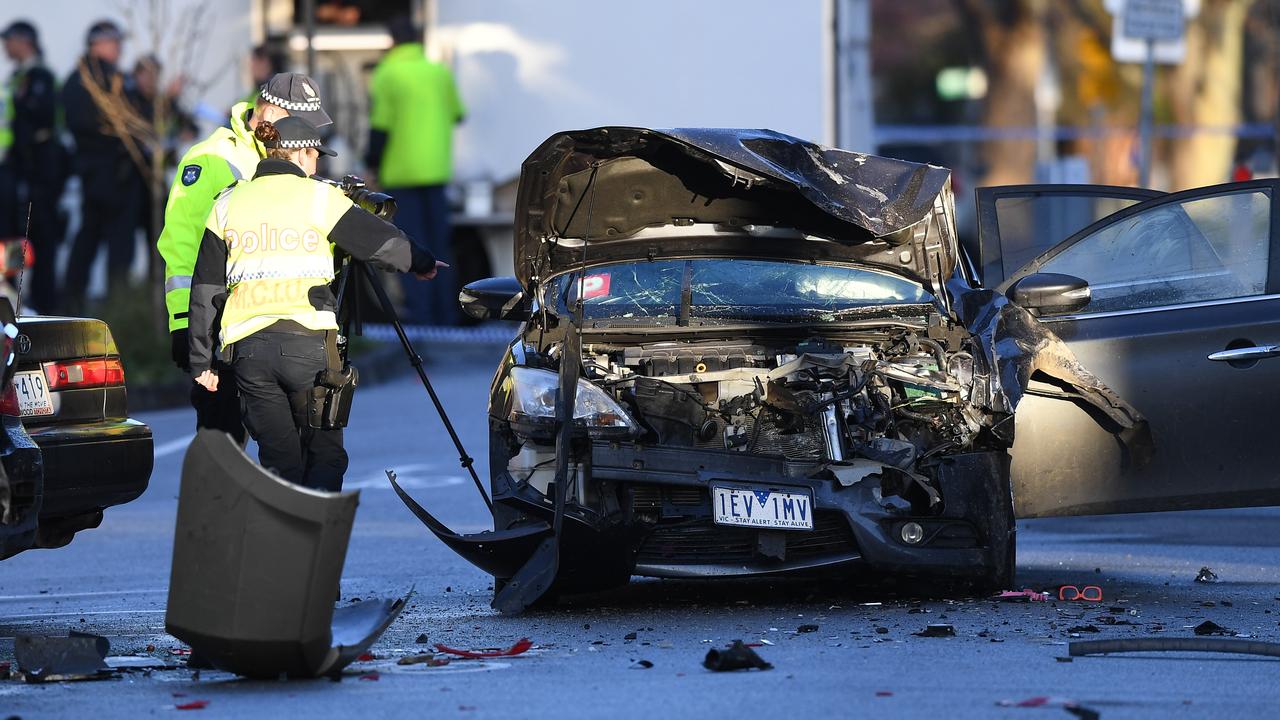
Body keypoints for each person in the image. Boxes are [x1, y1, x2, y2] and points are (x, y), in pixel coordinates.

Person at [187, 117, 445, 491]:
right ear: (300, 153)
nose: (317, 166)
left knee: (279, 462)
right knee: (323, 456)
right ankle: (318, 541)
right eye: (316, 156)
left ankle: (281, 546)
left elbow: (205, 288)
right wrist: (421, 262)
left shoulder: (228, 202)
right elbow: (378, 241)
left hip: (248, 352)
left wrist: (200, 360)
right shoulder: (320, 198)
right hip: (308, 346)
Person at [158, 72, 332, 445]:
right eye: (297, 121)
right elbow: (183, 243)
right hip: (219, 324)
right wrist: (184, 322)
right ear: (269, 111)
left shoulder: (287, 155)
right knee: (223, 440)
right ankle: (218, 503)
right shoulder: (213, 158)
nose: (304, 133)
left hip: (271, 328)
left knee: (286, 445)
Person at [366, 15, 464, 326]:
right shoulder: (439, 73)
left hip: (402, 176)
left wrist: (371, 165)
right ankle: (447, 318)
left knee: (412, 249)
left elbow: (379, 129)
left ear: (392, 41)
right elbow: (458, 114)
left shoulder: (387, 74)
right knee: (440, 244)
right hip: (436, 174)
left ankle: (422, 322)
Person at [61, 19, 142, 312]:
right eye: (113, 42)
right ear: (97, 44)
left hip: (100, 172)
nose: (119, 48)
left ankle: (76, 298)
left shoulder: (94, 77)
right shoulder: (95, 80)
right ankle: (114, 305)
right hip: (108, 173)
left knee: (90, 238)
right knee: (114, 243)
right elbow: (105, 124)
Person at [0, 20, 65, 314]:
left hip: (37, 175)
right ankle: (13, 299)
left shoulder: (40, 77)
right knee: (15, 238)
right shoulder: (17, 77)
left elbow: (40, 122)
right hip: (16, 174)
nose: (5, 47)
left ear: (24, 41)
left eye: (9, 40)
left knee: (38, 239)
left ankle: (42, 306)